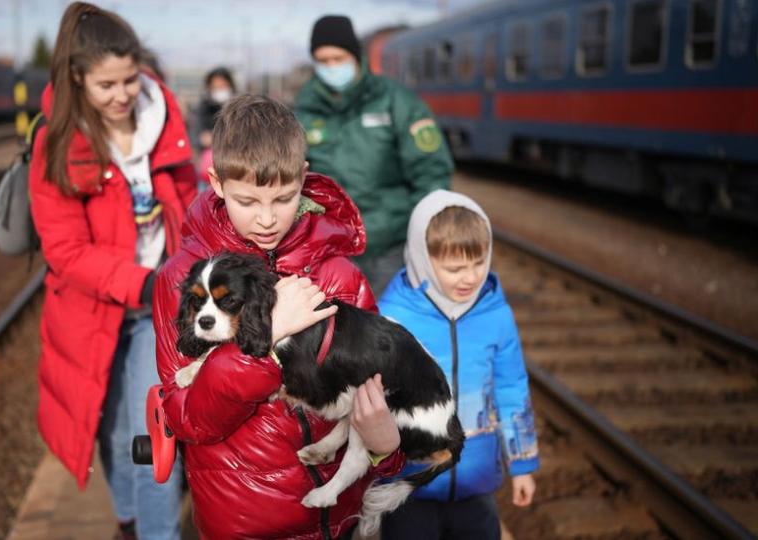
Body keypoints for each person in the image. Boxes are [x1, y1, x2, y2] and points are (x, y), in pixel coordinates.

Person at [153, 94, 406, 540]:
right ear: (215, 182)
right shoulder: (184, 281)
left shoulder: (337, 275)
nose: (268, 219)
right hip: (246, 524)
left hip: (339, 519)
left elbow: (378, 390)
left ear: (303, 179)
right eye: (248, 201)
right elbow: (187, 417)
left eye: (285, 198)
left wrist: (388, 449)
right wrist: (267, 339)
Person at [28, 3, 197, 539]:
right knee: (113, 435)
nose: (123, 94)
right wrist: (140, 280)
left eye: (130, 78)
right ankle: (128, 521)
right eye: (106, 85)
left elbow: (190, 200)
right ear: (77, 78)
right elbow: (66, 250)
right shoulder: (57, 142)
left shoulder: (162, 117)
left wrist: (188, 268)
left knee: (153, 437)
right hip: (93, 311)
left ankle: (157, 533)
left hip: (157, 310)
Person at [377, 190, 539, 539]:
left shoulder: (496, 313)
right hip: (408, 485)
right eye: (455, 268)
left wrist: (522, 463)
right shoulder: (394, 316)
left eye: (479, 264)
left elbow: (511, 387)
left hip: (475, 483)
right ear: (422, 259)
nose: (470, 277)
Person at [294, 15, 455, 294]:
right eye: (323, 60)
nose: (332, 67)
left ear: (355, 56)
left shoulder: (396, 101)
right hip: (330, 248)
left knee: (389, 326)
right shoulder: (304, 111)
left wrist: (423, 231)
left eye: (338, 58)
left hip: (391, 246)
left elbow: (431, 171)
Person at [189, 67, 236, 188]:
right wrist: (201, 140)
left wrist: (218, 139)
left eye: (222, 86)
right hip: (206, 171)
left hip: (234, 169)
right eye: (215, 88)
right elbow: (193, 137)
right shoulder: (201, 110)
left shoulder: (239, 110)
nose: (219, 91)